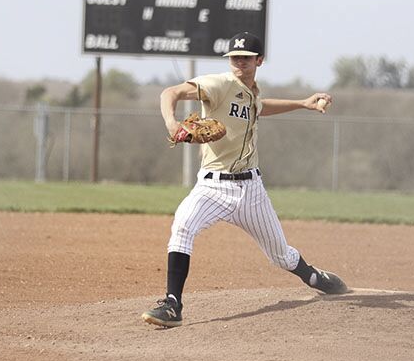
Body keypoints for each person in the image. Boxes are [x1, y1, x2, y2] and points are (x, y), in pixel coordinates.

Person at [142, 31, 348, 328]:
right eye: (234, 57)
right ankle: (173, 304)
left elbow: (262, 107)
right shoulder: (220, 84)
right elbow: (168, 93)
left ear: (259, 61)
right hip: (212, 186)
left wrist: (304, 103)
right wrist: (172, 123)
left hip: (251, 190)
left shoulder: (251, 93)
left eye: (246, 58)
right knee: (183, 226)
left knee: (282, 256)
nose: (239, 62)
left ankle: (315, 276)